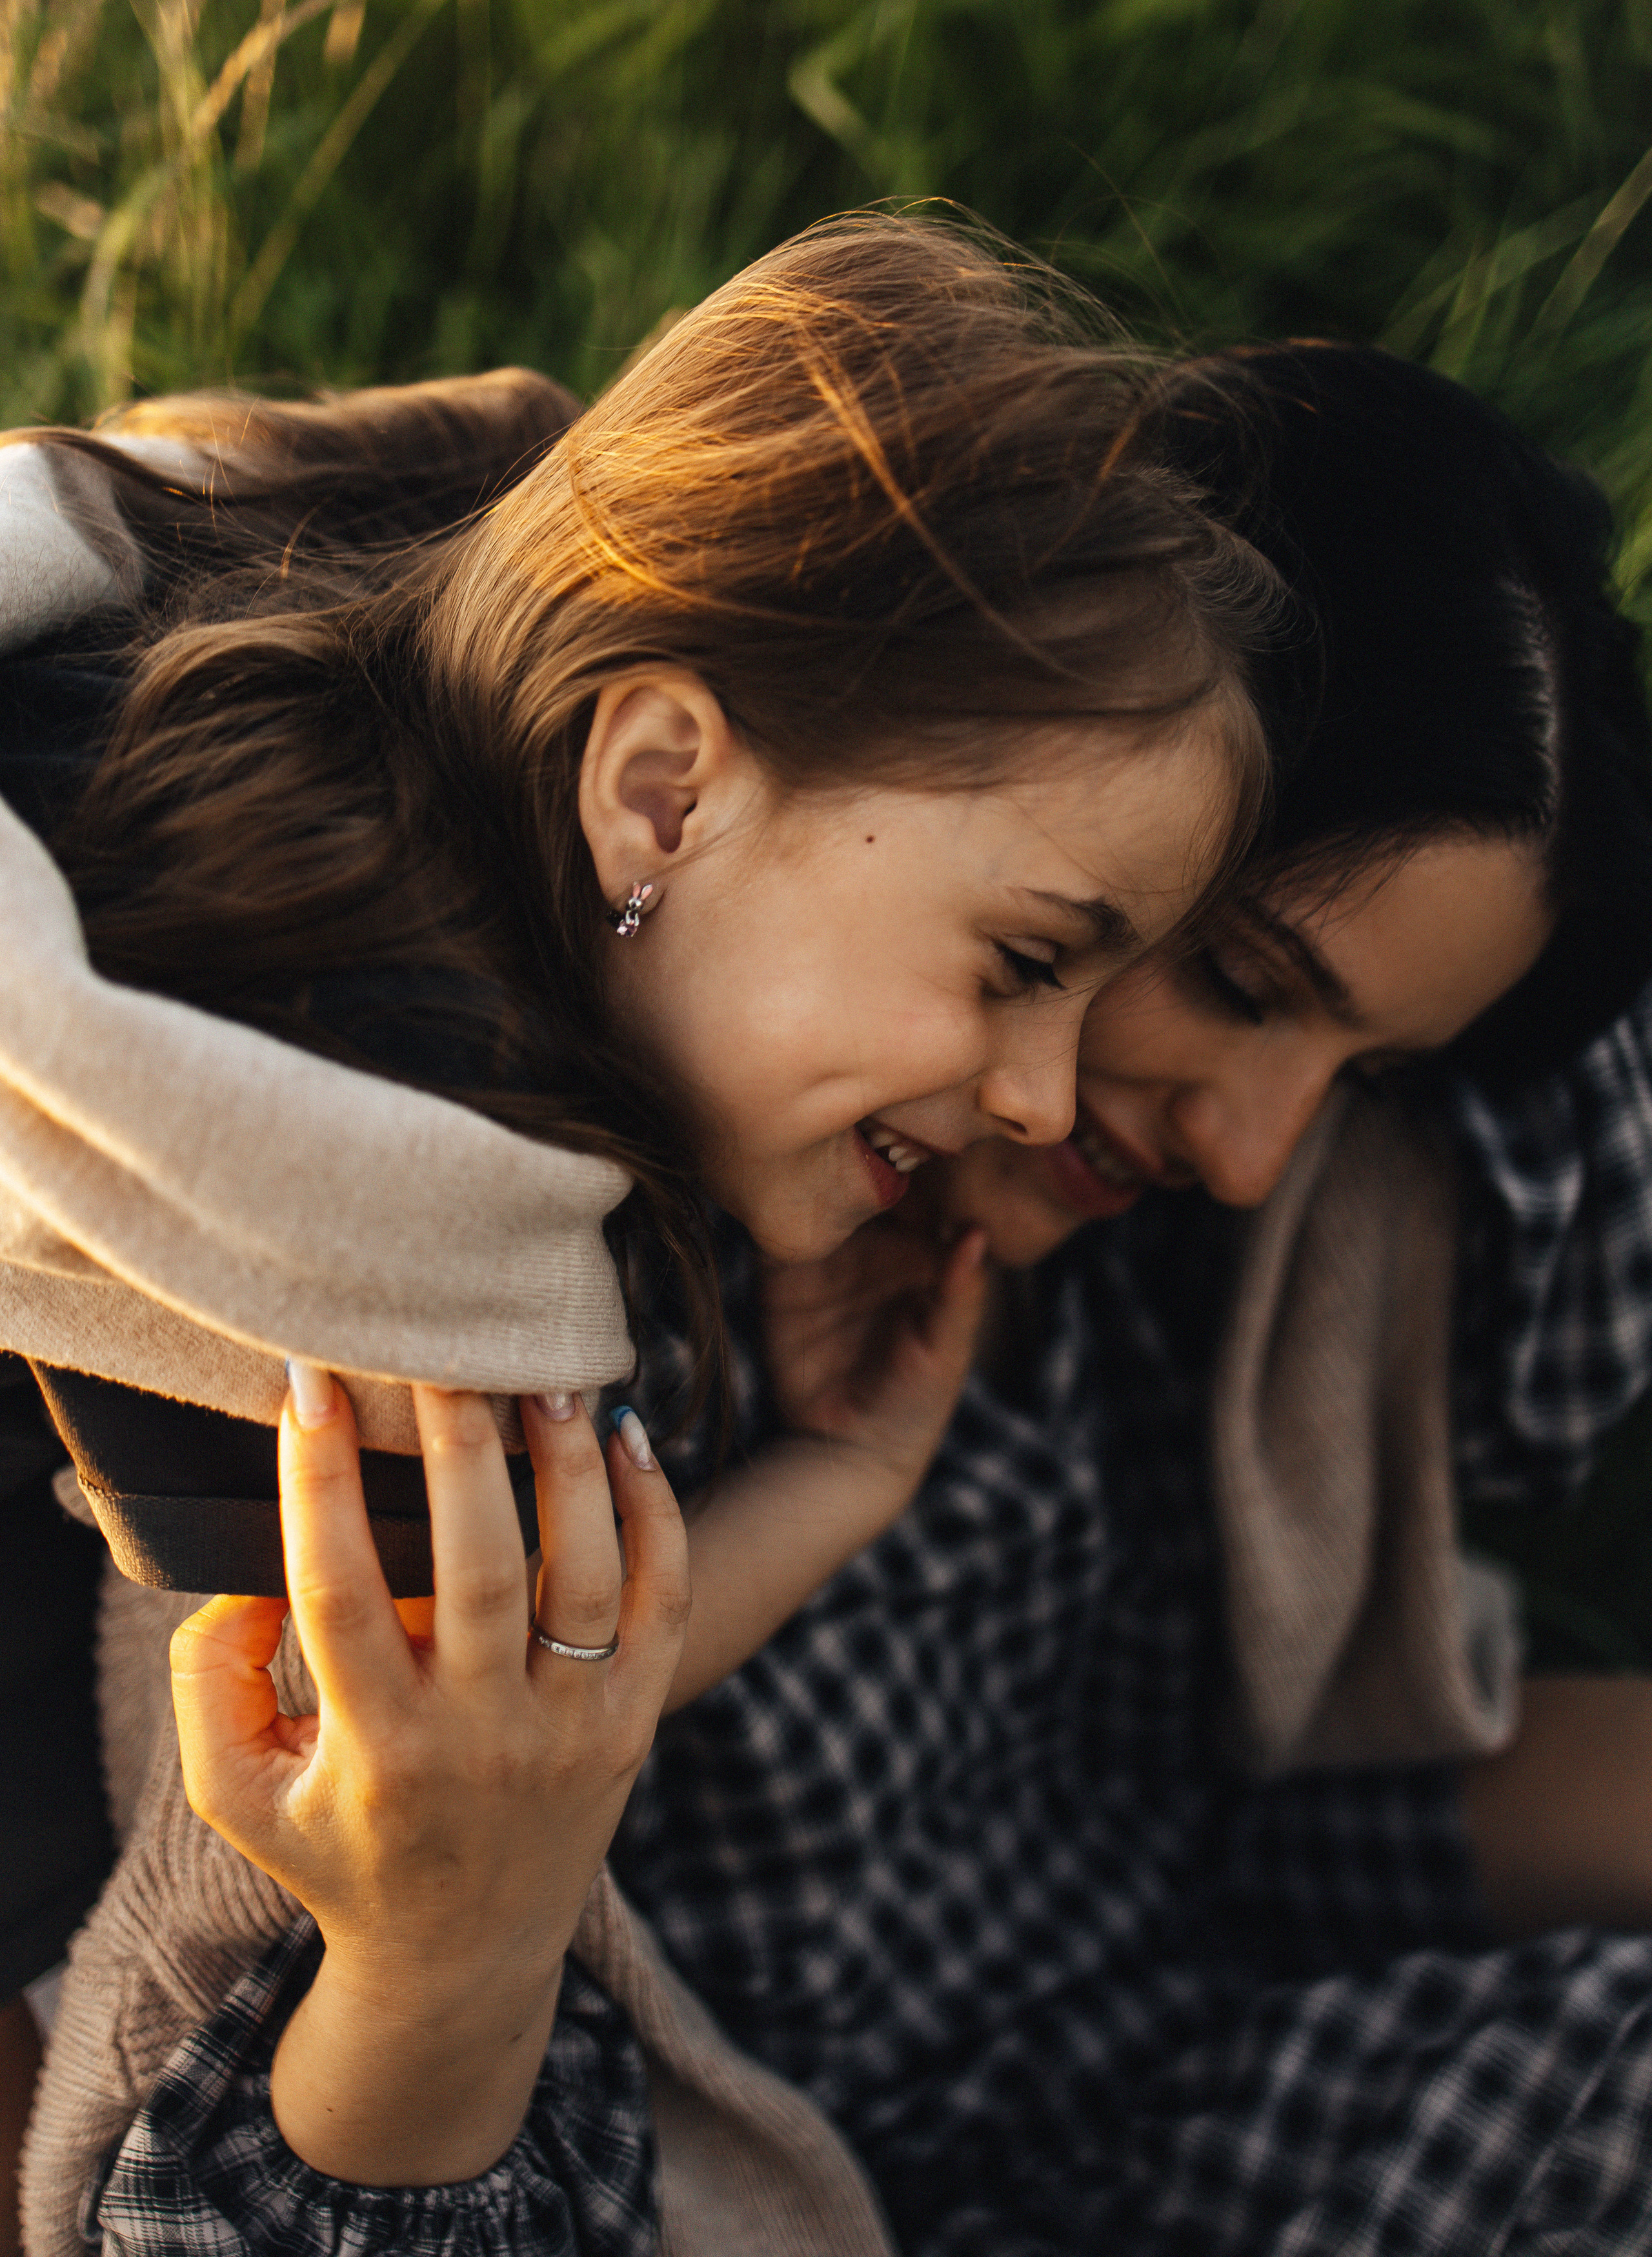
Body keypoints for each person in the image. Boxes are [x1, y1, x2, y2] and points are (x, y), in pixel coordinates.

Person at [76, 342, 1652, 2254]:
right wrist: (457, 1945)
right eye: (1233, 977)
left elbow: (1206, 1819)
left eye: (1363, 1077)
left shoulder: (1135, 1248)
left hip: (1205, 1980)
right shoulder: (490, 1318)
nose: (1256, 1156)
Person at [0, 216, 1280, 2250]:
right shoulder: (410, 1269)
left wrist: (849, 1471)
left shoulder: (238, 654)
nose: (1041, 1095)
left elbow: (575, 1660)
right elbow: (476, 1749)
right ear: (662, 795)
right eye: (1027, 961)